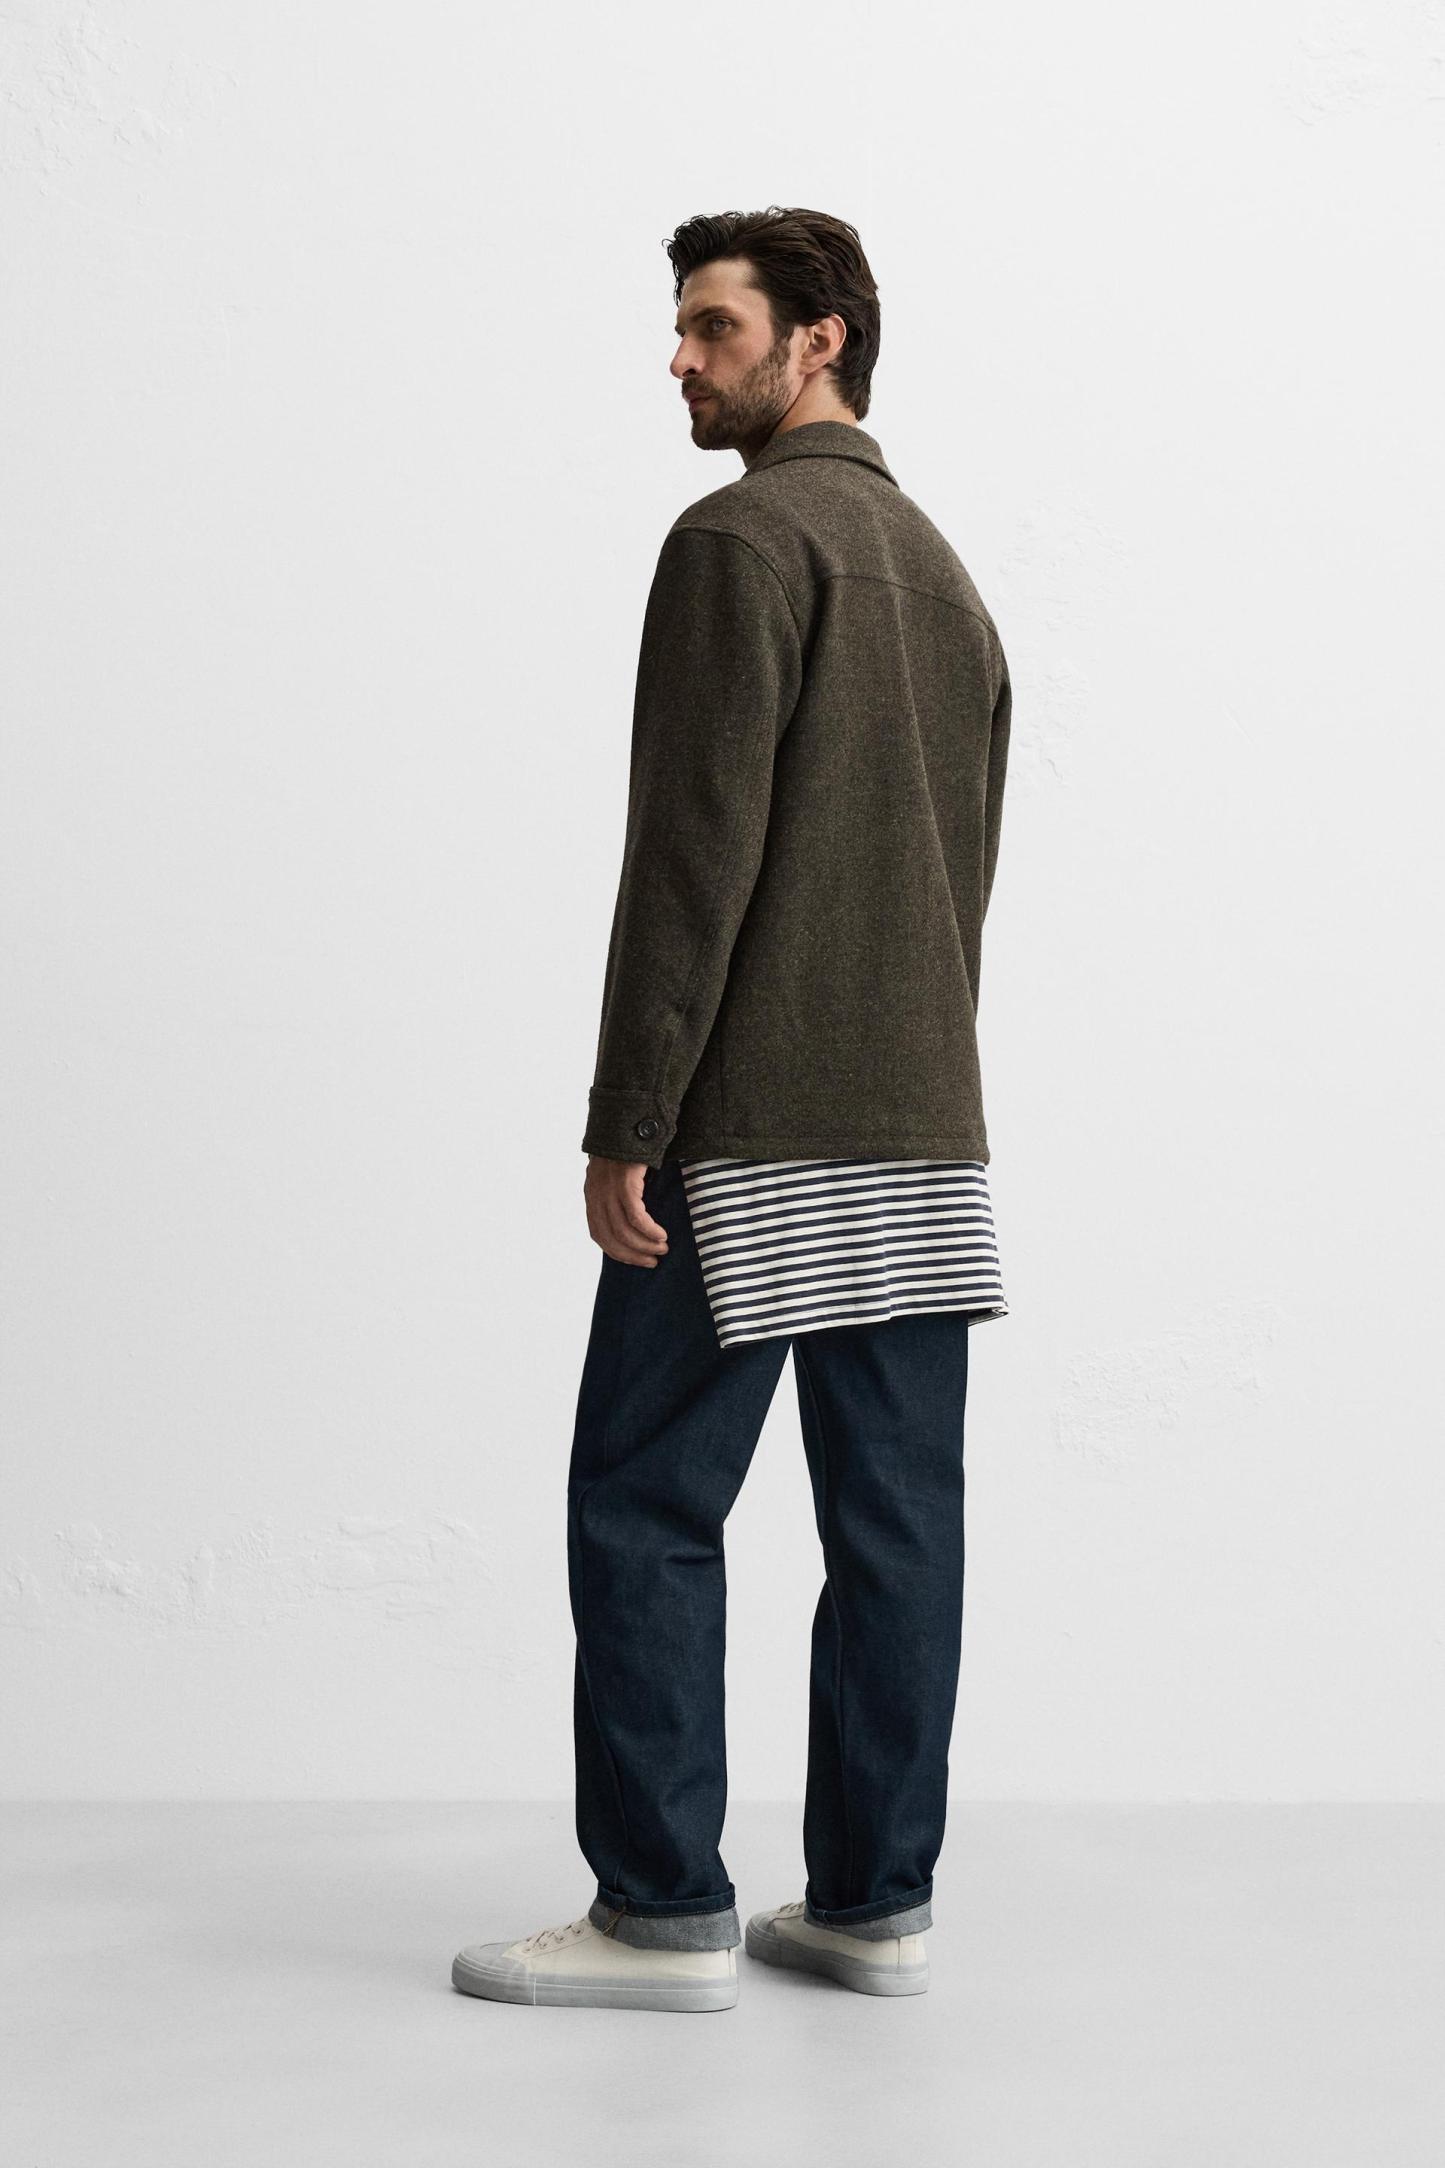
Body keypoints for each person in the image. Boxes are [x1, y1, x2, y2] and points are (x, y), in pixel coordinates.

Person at [452, 206, 1012, 2013]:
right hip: (916, 1120)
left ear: (817, 339)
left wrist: (631, 1113)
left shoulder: (739, 540)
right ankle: (872, 1906)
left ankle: (660, 1915)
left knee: (644, 1496)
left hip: (747, 1115)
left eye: (712, 326)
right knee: (895, 1524)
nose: (680, 359)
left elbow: (690, 860)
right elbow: (965, 873)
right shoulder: (940, 573)